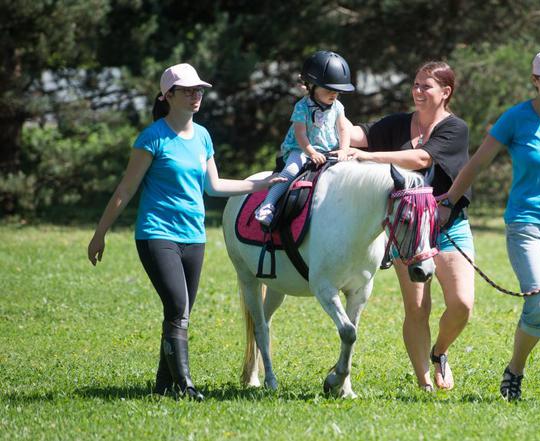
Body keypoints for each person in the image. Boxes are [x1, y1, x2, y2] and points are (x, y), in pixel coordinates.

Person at [87, 63, 283, 401]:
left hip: (194, 237)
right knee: (178, 306)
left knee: (180, 313)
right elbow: (125, 189)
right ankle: (185, 386)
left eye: (199, 90)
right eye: (189, 90)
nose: (197, 95)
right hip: (156, 233)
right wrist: (99, 233)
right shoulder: (152, 137)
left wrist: (261, 183)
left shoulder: (203, 136)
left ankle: (163, 385)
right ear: (168, 96)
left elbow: (216, 186)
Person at [441, 48, 540, 401]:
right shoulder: (515, 119)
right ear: (535, 80)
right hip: (526, 225)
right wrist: (450, 200)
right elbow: (478, 164)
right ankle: (516, 368)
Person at [348, 61, 475, 392]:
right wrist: (324, 105)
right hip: (408, 230)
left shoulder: (455, 128)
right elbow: (356, 134)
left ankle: (440, 352)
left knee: (462, 304)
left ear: (445, 92)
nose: (418, 91)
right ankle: (424, 384)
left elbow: (422, 159)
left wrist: (366, 157)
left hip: (449, 227)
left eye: (426, 86)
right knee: (417, 308)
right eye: (416, 85)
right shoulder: (397, 124)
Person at [254, 50, 354, 227]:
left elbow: (344, 128)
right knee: (291, 171)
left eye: (337, 91)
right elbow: (300, 134)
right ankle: (267, 205)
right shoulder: (302, 107)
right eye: (329, 90)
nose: (334, 95)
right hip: (302, 149)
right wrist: (311, 152)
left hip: (329, 149)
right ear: (312, 86)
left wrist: (344, 149)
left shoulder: (338, 106)